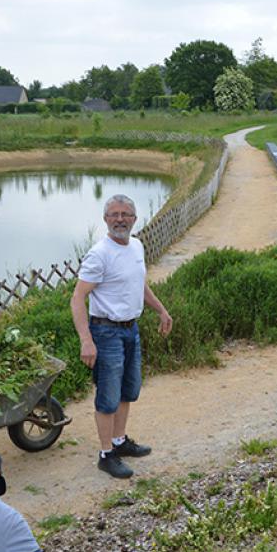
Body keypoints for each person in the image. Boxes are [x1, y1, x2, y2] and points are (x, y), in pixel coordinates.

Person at [71, 194, 173, 478]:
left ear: (134, 219)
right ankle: (106, 454)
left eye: (125, 214)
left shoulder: (137, 246)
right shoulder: (99, 254)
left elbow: (139, 284)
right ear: (105, 219)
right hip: (105, 332)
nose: (120, 219)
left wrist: (162, 311)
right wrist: (86, 340)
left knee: (128, 390)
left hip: (131, 330)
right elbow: (78, 298)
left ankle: (120, 440)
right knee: (108, 396)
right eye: (114, 214)